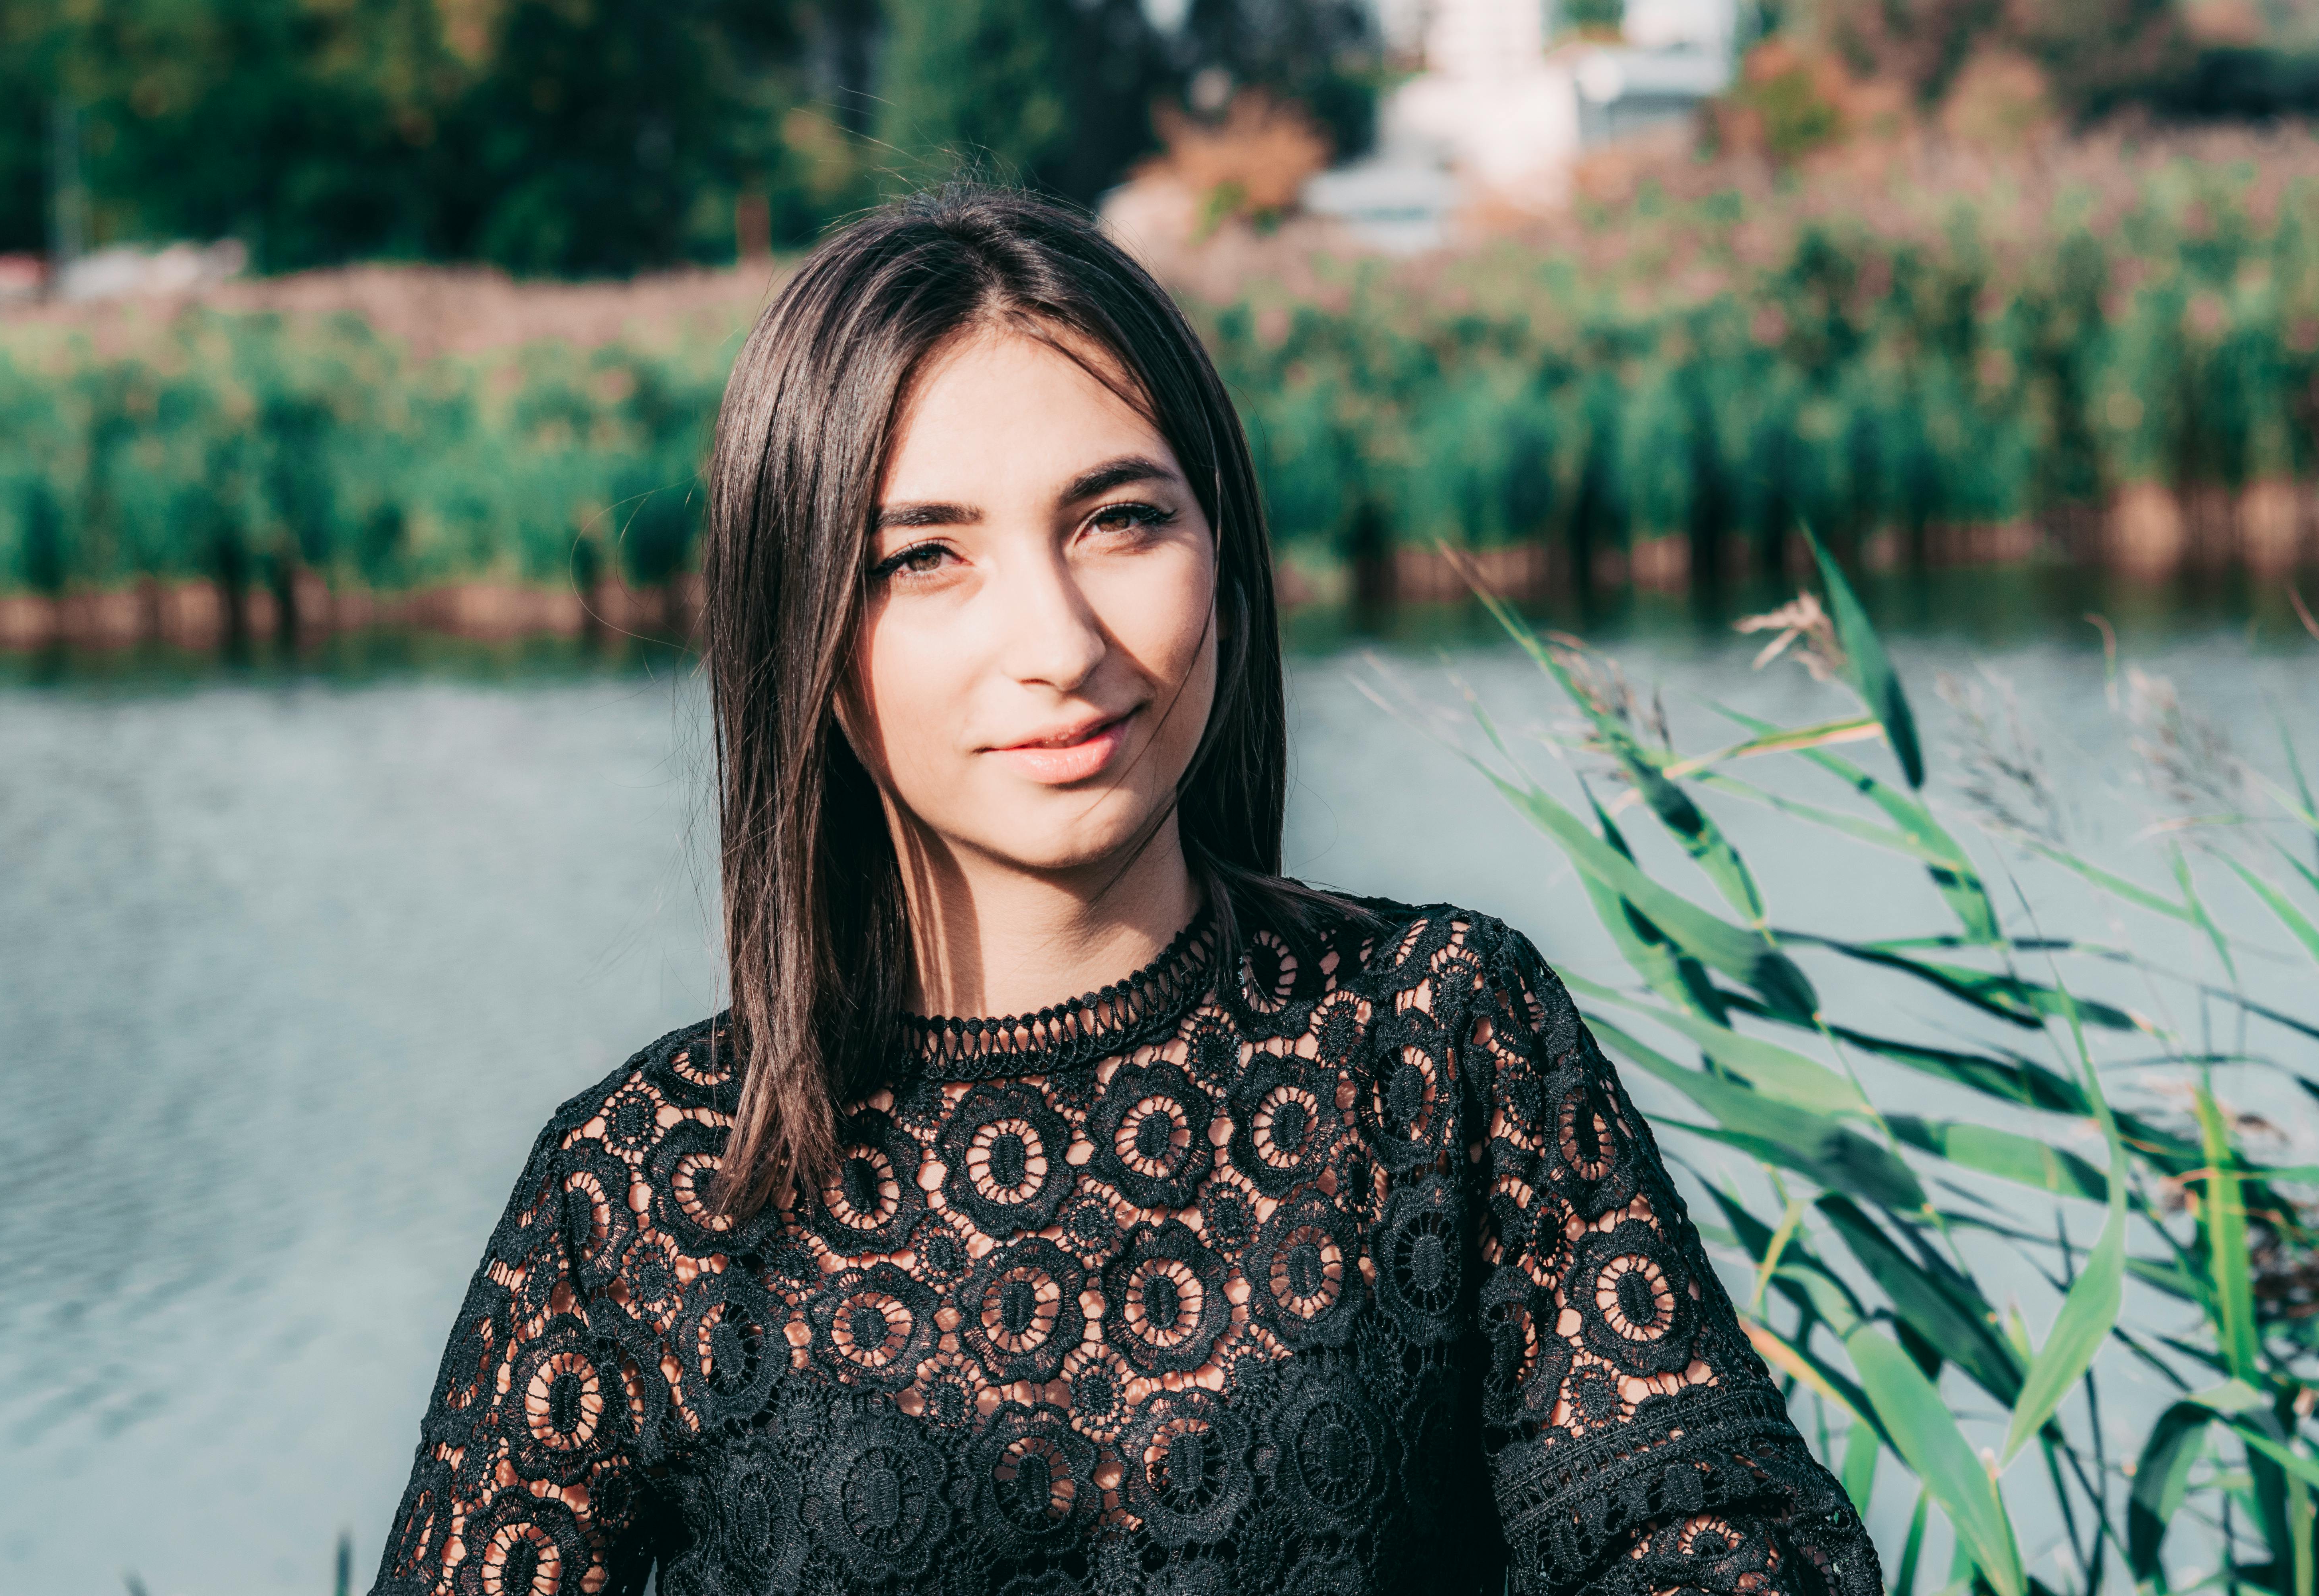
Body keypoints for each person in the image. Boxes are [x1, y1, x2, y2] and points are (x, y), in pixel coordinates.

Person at [369, 186, 1879, 1596]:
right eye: (924, 559)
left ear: (1223, 548)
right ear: (806, 633)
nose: (1057, 640)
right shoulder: (641, 1193)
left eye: (1119, 520)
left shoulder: (1435, 1040)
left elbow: (1728, 1544)